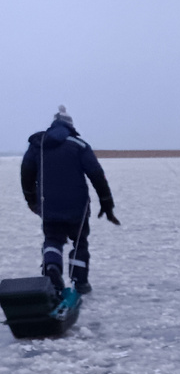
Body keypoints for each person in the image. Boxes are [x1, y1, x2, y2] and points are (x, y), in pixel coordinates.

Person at [20, 106, 119, 295]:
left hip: (48, 204)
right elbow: (96, 174)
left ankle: (52, 268)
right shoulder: (79, 145)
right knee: (79, 241)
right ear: (71, 126)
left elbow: (26, 173)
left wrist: (31, 199)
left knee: (52, 239)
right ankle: (80, 282)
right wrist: (106, 201)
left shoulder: (38, 145)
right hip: (77, 205)